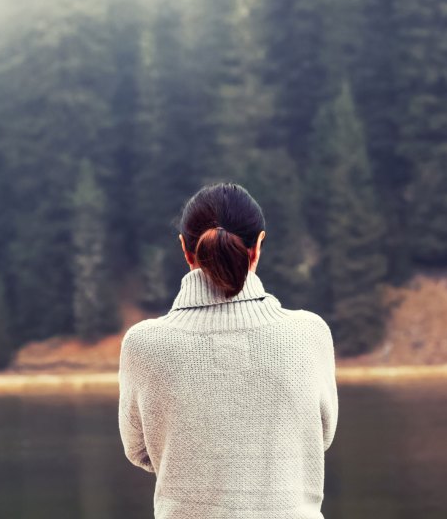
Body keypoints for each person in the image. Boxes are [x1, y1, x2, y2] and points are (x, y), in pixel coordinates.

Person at [118, 182, 339, 519]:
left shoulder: (144, 344)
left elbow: (140, 451)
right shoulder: (309, 333)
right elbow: (318, 437)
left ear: (185, 249)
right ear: (258, 245)